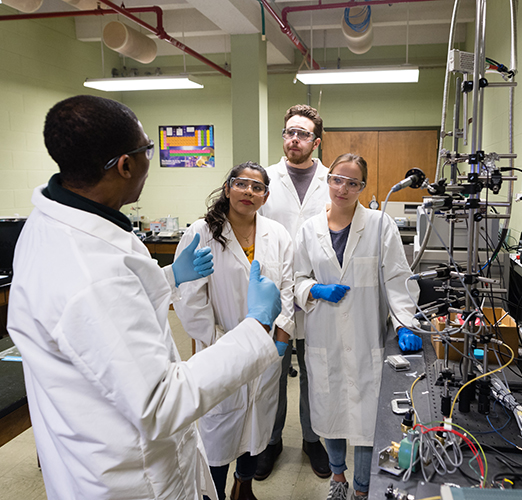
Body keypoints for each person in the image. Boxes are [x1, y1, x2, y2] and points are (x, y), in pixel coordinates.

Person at [7, 95, 283, 500]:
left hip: (93, 441)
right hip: (128, 476)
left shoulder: (54, 220)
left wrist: (171, 275)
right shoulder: (90, 275)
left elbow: (115, 303)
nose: (148, 161)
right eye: (146, 151)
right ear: (125, 164)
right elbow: (161, 404)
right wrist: (257, 324)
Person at [293, 153, 422, 500]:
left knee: (366, 422)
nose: (343, 188)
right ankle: (338, 480)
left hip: (367, 338)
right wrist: (313, 289)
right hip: (325, 337)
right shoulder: (309, 230)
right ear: (328, 179)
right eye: (337, 179)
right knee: (331, 410)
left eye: (353, 183)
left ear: (362, 187)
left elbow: (397, 278)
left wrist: (405, 324)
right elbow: (297, 279)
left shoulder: (380, 225)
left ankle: (363, 491)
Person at [174, 161, 294, 500]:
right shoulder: (202, 232)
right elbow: (190, 300)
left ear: (265, 196)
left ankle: (244, 488)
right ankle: (213, 492)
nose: (249, 192)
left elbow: (287, 290)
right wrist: (221, 342)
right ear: (228, 188)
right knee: (217, 431)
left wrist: (281, 337)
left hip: (267, 349)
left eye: (257, 188)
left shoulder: (278, 234)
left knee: (256, 426)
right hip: (218, 349)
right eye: (242, 184)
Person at [256, 104, 331, 480]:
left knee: (316, 373)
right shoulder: (264, 180)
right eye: (288, 132)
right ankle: (271, 443)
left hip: (318, 294)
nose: (293, 139)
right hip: (275, 292)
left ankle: (313, 441)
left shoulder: (333, 181)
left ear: (315, 142)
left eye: (301, 134)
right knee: (272, 373)